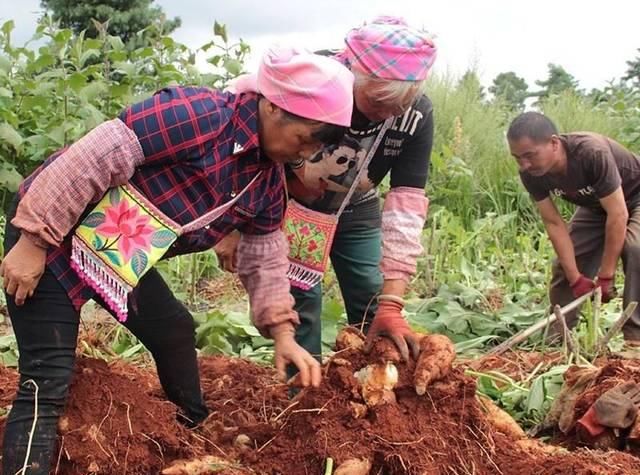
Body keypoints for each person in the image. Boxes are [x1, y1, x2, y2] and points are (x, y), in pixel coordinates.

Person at [0, 47, 354, 475]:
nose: (307, 154)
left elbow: (265, 257)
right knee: (47, 379)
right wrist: (33, 239)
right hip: (53, 230)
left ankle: (191, 431)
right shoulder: (200, 115)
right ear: (275, 106)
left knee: (174, 330)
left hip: (116, 252)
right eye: (307, 138)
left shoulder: (265, 181)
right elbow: (96, 155)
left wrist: (282, 333)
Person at [214, 16, 437, 365]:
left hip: (357, 206)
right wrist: (230, 226)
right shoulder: (316, 79)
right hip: (289, 206)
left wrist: (392, 304)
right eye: (378, 105)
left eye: (398, 108)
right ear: (353, 79)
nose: (387, 116)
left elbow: (407, 204)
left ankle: (375, 391)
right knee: (299, 305)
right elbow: (246, 127)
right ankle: (304, 401)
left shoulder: (416, 114)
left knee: (370, 294)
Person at [507, 111, 640, 341]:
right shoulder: (530, 173)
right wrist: (575, 277)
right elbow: (553, 222)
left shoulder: (590, 153)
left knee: (636, 249)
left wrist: (606, 276)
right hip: (597, 205)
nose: (524, 164)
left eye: (530, 155)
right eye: (517, 157)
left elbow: (618, 214)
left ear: (554, 143)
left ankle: (635, 337)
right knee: (565, 265)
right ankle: (559, 335)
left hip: (635, 195)